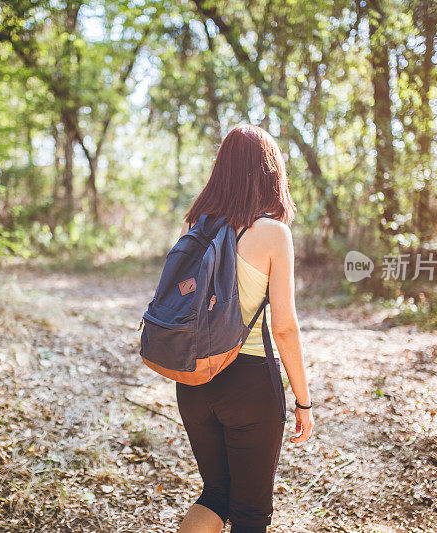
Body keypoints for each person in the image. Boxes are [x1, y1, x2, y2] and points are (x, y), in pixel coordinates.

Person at [174, 124, 314, 533]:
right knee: (251, 516)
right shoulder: (273, 234)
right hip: (249, 383)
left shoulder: (194, 227)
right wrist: (303, 401)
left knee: (216, 493)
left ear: (222, 170)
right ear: (271, 173)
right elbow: (284, 327)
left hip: (193, 379)